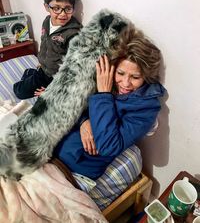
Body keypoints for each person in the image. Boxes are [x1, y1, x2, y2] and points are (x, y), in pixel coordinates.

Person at [53, 29, 166, 180]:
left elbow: (108, 146)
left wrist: (103, 95)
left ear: (146, 76)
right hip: (54, 144)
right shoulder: (104, 76)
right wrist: (83, 122)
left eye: (135, 77)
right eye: (120, 73)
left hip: (75, 165)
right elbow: (68, 101)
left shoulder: (146, 108)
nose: (125, 83)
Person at [13, 0, 82, 99]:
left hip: (56, 78)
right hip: (43, 70)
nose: (62, 14)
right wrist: (41, 60)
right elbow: (44, 42)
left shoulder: (73, 34)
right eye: (56, 8)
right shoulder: (46, 21)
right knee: (18, 90)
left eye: (68, 8)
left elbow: (73, 69)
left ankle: (31, 74)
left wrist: (53, 90)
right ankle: (31, 73)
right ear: (46, 7)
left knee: (44, 99)